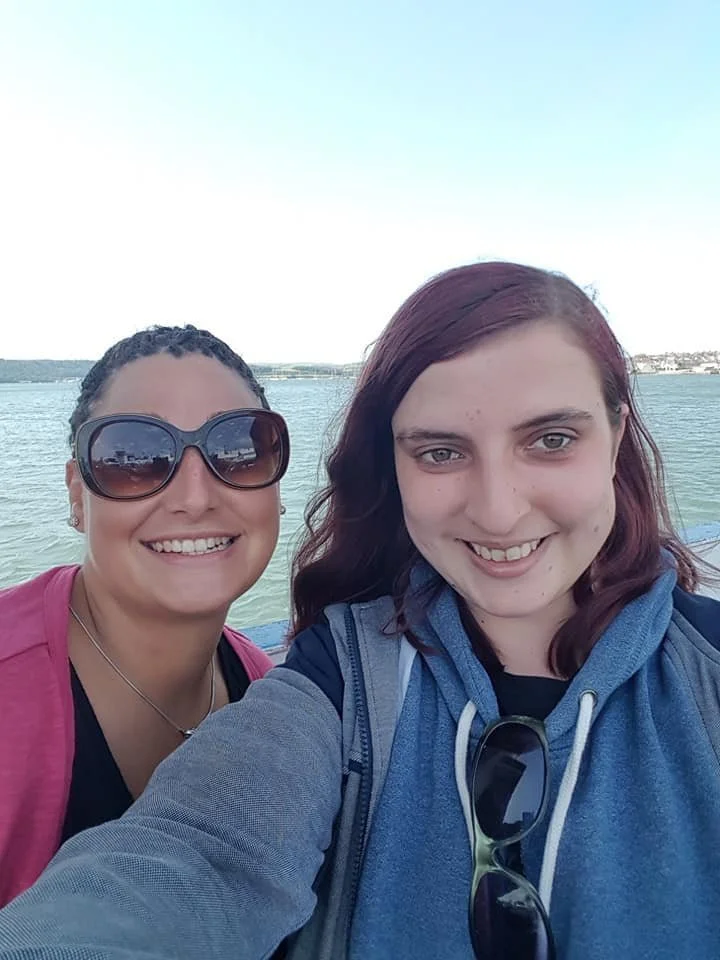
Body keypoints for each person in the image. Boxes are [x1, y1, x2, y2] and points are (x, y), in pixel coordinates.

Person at [0, 263, 718, 960]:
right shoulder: (339, 678)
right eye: (440, 452)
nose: (499, 510)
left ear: (618, 434)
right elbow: (204, 854)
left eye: (552, 439)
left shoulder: (250, 670)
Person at [0, 324, 289, 906]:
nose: (195, 496)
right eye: (132, 457)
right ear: (77, 496)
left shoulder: (264, 692)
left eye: (239, 448)